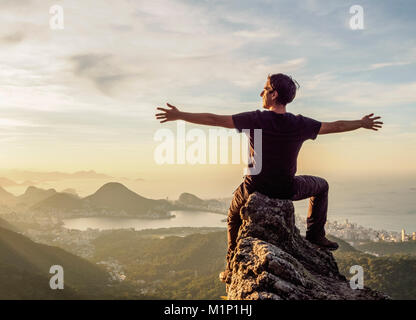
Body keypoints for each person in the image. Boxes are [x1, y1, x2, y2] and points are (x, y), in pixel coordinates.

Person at [155, 73, 383, 279]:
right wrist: (361, 124)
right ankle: (315, 234)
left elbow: (215, 120)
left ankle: (231, 265)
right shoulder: (300, 123)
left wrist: (179, 115)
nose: (261, 93)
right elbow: (336, 126)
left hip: (254, 187)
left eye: (265, 89)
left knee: (234, 217)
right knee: (321, 186)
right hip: (287, 188)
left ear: (274, 95)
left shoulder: (256, 119)